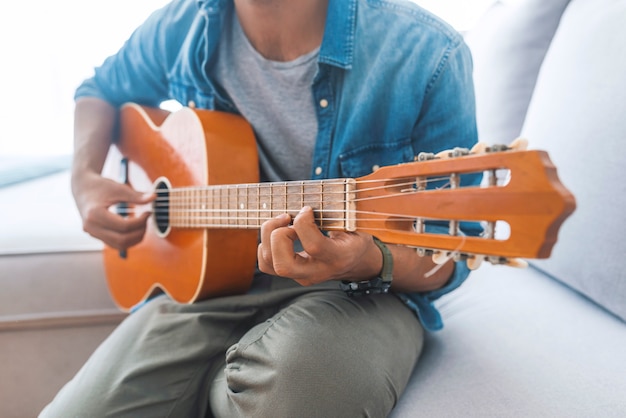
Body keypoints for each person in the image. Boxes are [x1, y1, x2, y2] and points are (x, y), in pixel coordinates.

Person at [41, 0, 481, 416]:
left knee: (295, 403)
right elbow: (99, 90)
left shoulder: (429, 52)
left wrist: (368, 259)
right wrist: (84, 180)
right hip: (206, 285)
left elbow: (451, 254)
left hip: (364, 293)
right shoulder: (185, 24)